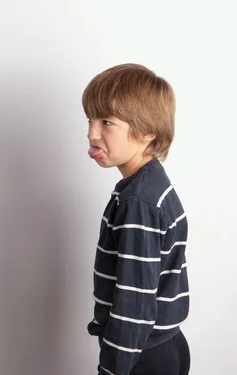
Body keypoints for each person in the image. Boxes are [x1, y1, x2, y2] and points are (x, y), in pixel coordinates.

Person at [83, 64, 190, 375]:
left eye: (107, 122)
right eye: (89, 119)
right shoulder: (151, 185)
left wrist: (112, 369)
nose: (91, 132)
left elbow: (134, 305)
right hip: (163, 345)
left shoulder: (138, 203)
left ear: (147, 132)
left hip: (144, 353)